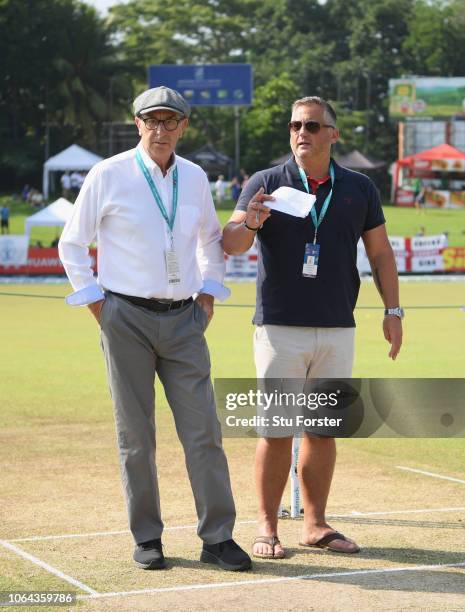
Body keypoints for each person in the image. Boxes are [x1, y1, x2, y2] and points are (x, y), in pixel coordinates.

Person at [59, 86, 251, 572]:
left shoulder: (196, 176)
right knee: (136, 435)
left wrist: (209, 293)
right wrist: (98, 305)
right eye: (152, 121)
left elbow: (211, 239)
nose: (161, 130)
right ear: (137, 124)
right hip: (124, 316)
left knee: (203, 432)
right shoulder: (108, 174)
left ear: (184, 126)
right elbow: (72, 243)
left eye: (171, 121)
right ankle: (147, 537)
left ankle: (218, 537)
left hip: (185, 318)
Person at [223, 96, 403, 560]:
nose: (302, 132)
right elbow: (232, 242)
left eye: (313, 125)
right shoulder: (265, 181)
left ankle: (315, 525)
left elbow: (381, 254)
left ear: (333, 134)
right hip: (279, 328)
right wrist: (252, 221)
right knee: (277, 429)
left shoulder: (359, 187)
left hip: (338, 327)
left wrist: (393, 311)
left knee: (323, 429)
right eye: (295, 125)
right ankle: (266, 527)